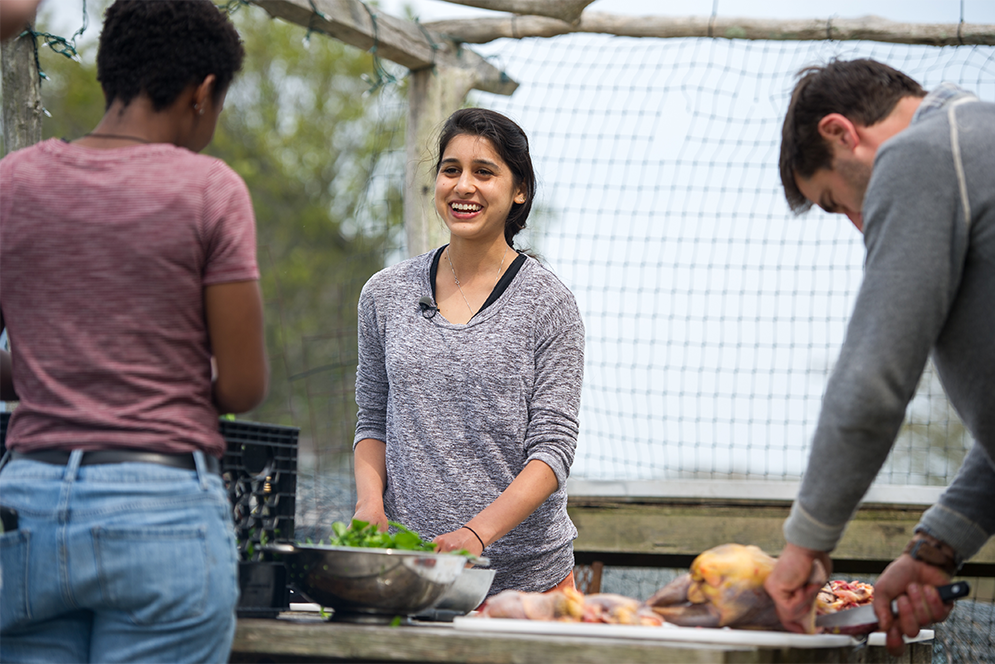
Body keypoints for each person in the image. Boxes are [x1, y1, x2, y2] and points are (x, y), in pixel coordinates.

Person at [0, 0, 267, 662]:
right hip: (161, 511)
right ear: (203, 93)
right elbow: (241, 384)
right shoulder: (210, 190)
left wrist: (47, 371)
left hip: (25, 510)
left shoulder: (13, 182)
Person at [763, 58, 995, 655]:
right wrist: (935, 548)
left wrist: (805, 544)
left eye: (836, 203)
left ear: (841, 133)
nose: (860, 227)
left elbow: (872, 382)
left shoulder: (923, 154)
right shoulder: (976, 140)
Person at [352, 108, 585, 596]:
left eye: (484, 172)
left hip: (526, 585)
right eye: (451, 170)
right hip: (412, 574)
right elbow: (373, 419)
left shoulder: (549, 304)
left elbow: (554, 449)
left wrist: (475, 535)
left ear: (519, 190)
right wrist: (369, 506)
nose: (463, 186)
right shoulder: (384, 293)